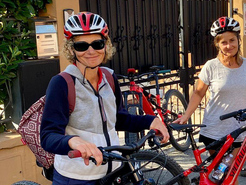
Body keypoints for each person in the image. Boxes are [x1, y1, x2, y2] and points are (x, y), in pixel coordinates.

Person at [40, 12, 169, 184]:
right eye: (81, 46)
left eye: (97, 43)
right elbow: (48, 136)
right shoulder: (62, 83)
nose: (91, 51)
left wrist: (150, 121)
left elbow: (119, 120)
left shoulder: (109, 77)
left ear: (105, 46)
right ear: (71, 49)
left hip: (113, 172)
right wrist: (73, 141)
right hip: (77, 177)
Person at [174, 17, 246, 162]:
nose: (229, 46)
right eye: (224, 42)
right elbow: (198, 93)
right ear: (217, 45)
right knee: (224, 175)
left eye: (232, 40)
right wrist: (186, 116)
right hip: (215, 130)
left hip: (240, 130)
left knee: (231, 174)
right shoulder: (211, 66)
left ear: (238, 40)